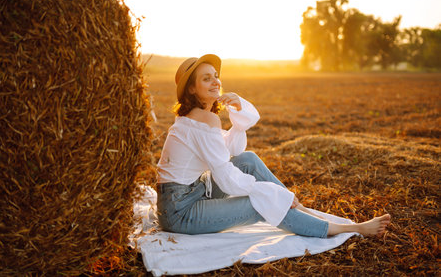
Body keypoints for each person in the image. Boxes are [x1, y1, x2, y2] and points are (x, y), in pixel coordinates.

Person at [156, 54, 391, 237]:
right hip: (180, 212)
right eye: (206, 78)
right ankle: (346, 229)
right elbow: (226, 178)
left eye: (215, 75)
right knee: (263, 201)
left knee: (248, 160)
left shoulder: (198, 117)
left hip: (193, 194)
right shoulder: (202, 119)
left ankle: (293, 203)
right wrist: (268, 192)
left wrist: (238, 111)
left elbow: (233, 152)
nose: (215, 81)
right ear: (191, 89)